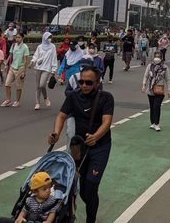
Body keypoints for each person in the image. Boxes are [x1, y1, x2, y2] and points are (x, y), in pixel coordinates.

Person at [48, 66, 113, 223]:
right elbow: (61, 116)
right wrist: (55, 133)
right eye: (81, 82)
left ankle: (91, 220)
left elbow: (107, 121)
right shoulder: (73, 97)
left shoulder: (106, 98)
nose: (84, 85)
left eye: (88, 83)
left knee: (90, 186)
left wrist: (96, 136)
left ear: (97, 83)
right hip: (78, 147)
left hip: (99, 147)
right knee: (78, 187)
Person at [142, 54, 170, 131]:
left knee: (156, 106)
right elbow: (146, 76)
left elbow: (168, 79)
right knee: (152, 107)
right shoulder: (150, 66)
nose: (156, 58)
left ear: (161, 58)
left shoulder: (165, 67)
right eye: (156, 57)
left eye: (158, 57)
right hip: (151, 90)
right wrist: (144, 85)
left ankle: (157, 123)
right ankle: (152, 123)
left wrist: (169, 90)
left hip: (159, 90)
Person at [1, 33, 29, 107]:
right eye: (16, 37)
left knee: (18, 86)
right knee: (7, 84)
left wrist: (24, 71)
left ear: (22, 38)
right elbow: (10, 55)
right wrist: (6, 64)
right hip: (12, 67)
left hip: (20, 68)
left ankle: (17, 101)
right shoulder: (13, 45)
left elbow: (26, 60)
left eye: (19, 37)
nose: (17, 39)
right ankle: (8, 100)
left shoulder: (25, 47)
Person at [32, 32, 58, 110]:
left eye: (50, 37)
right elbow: (36, 55)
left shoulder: (52, 47)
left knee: (42, 85)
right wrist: (33, 61)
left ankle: (46, 97)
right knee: (37, 86)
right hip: (38, 67)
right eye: (48, 37)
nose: (49, 39)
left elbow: (54, 58)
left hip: (47, 68)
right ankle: (37, 103)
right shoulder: (40, 47)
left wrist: (54, 69)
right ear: (44, 38)